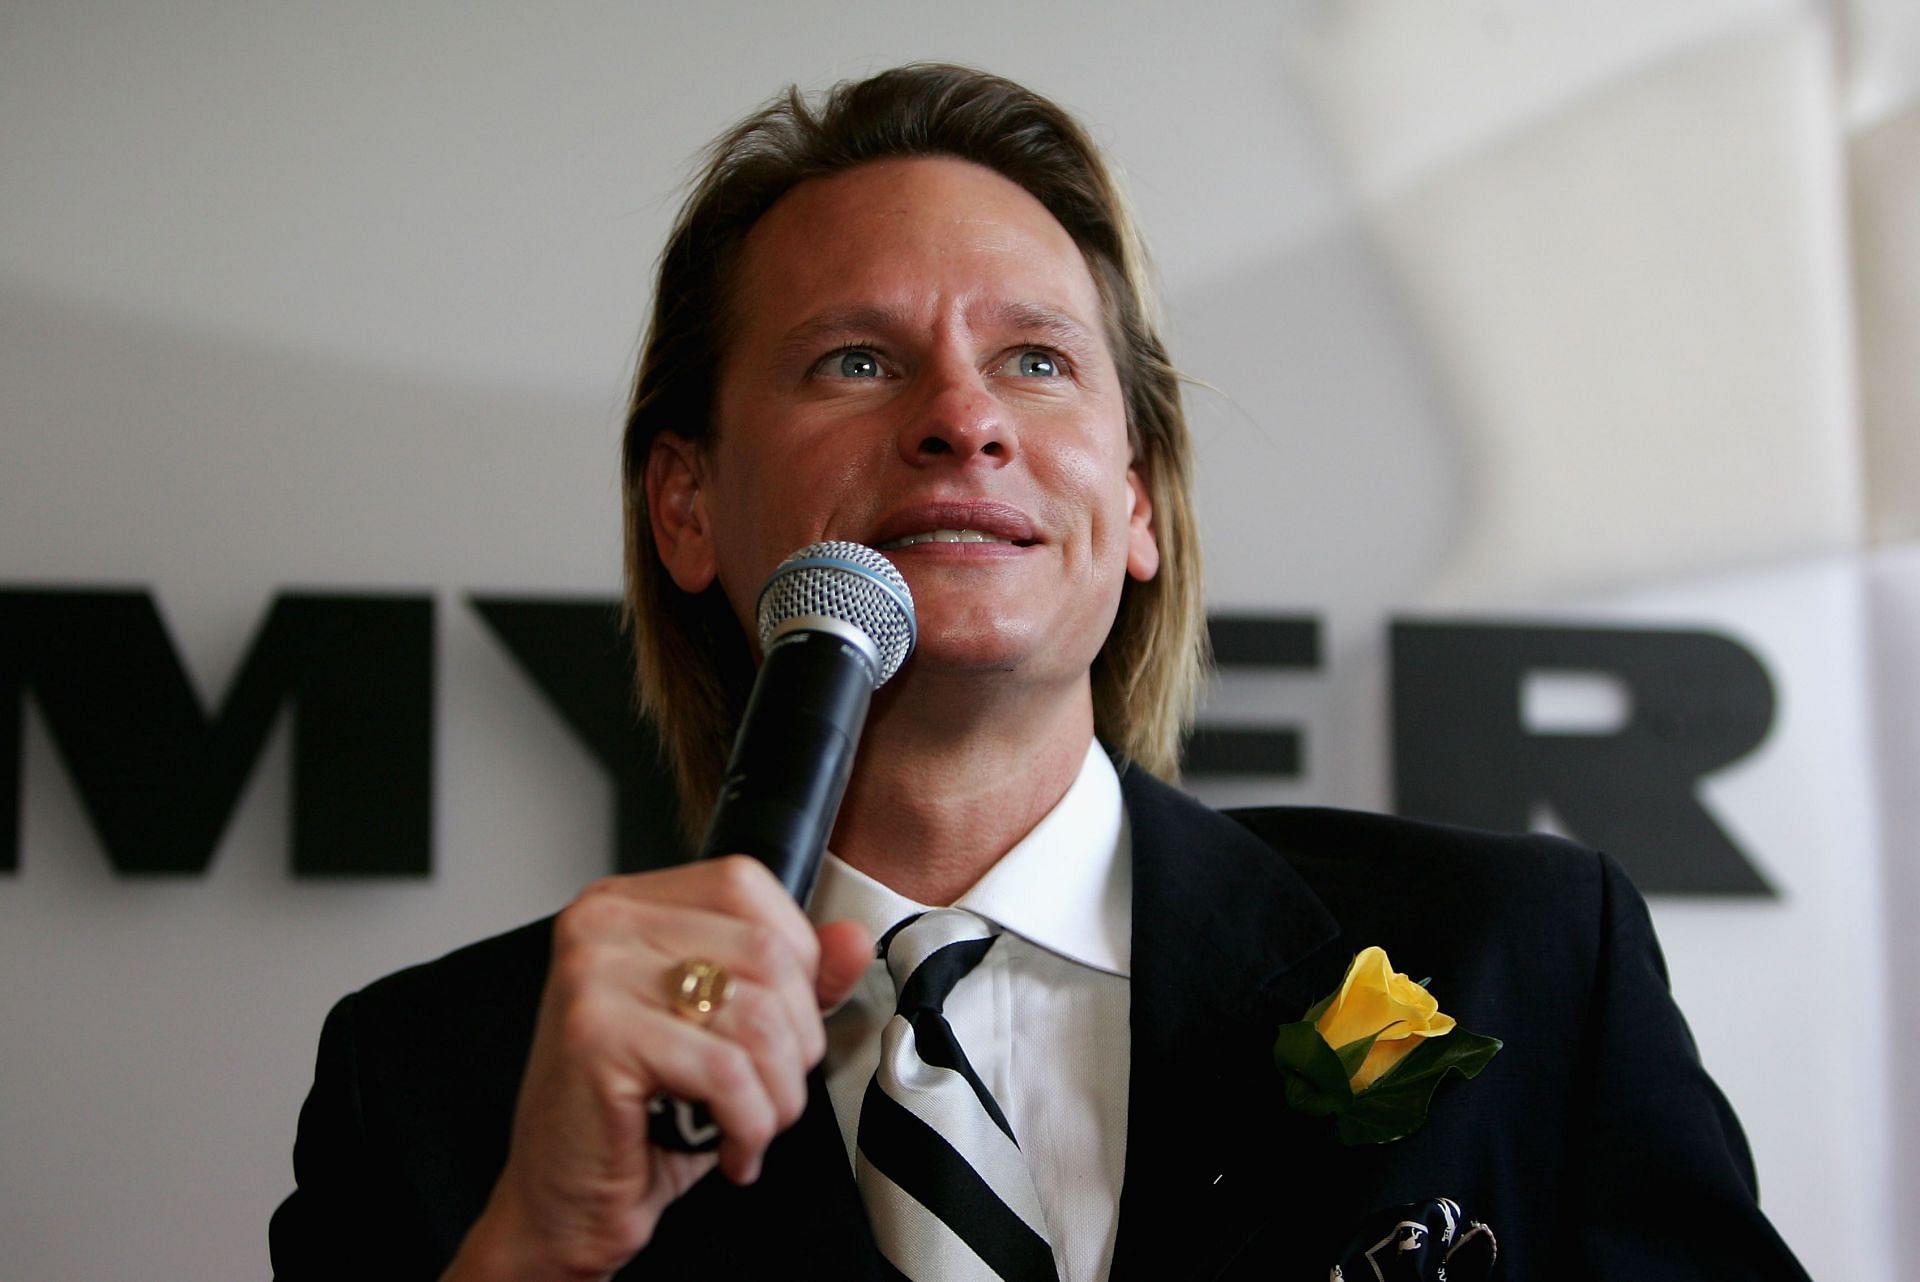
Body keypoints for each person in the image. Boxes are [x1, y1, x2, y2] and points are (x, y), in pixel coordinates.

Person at [271, 64, 1811, 1280]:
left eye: (1038, 359)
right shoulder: (438, 1082)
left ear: (1135, 501)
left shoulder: (1520, 961)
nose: (962, 417)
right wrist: (535, 1251)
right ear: (688, 502)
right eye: (855, 359)